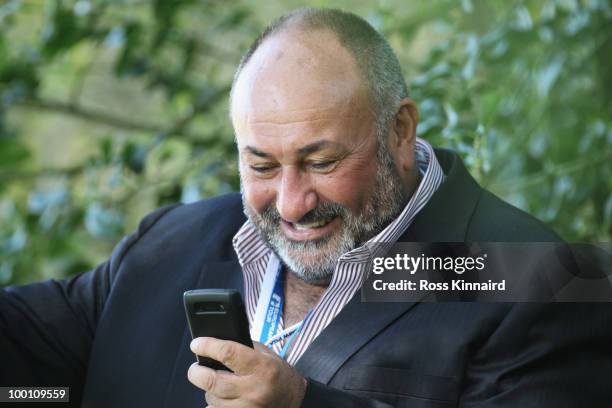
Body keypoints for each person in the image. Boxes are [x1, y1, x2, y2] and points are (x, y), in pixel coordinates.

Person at [1, 8, 611, 408]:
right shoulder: (171, 241)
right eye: (262, 165)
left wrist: (303, 405)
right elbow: (29, 379)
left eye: (321, 162)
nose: (291, 203)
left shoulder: (534, 276)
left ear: (400, 130)